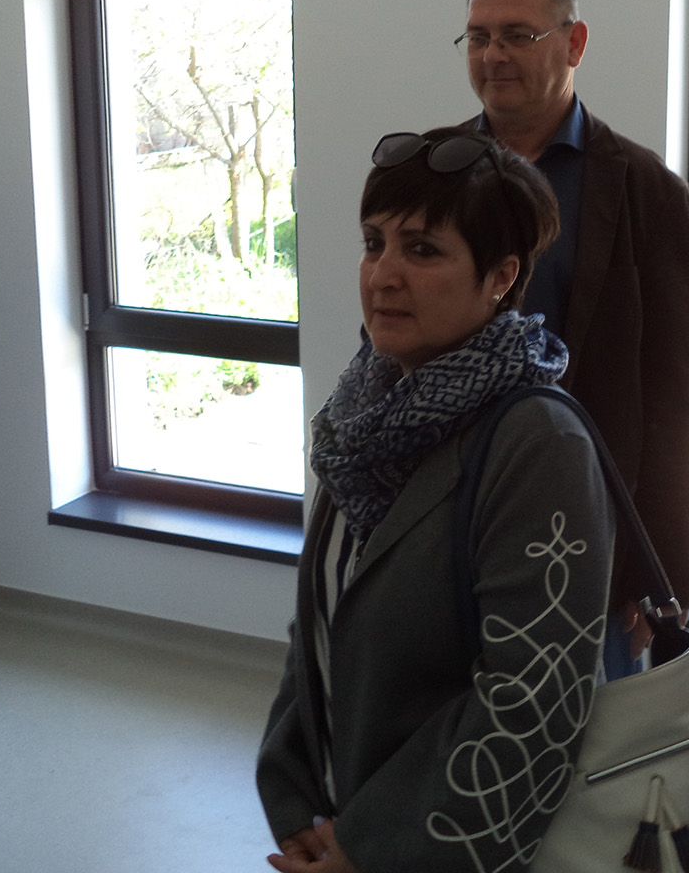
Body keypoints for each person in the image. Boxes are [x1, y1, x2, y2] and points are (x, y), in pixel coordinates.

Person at [256, 127, 615, 873]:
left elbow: (533, 700)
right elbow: (321, 620)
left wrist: (372, 847)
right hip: (339, 810)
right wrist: (291, 792)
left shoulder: (537, 442)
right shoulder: (363, 418)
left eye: (422, 250)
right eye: (374, 243)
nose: (382, 275)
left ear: (501, 276)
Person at [459, 0, 689, 676]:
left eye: (517, 34)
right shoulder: (435, 178)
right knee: (459, 729)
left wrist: (659, 572)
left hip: (590, 535)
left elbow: (677, 402)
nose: (493, 55)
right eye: (478, 36)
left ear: (574, 43)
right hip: (458, 518)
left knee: (591, 738)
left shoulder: (648, 193)